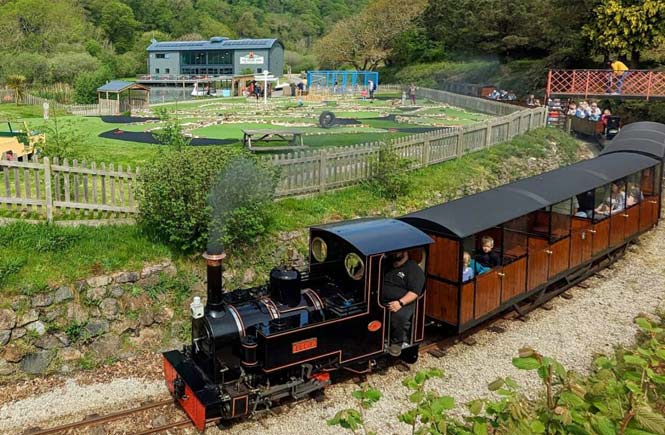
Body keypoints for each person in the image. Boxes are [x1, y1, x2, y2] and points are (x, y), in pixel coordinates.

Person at [381, 250, 425, 357]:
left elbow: (414, 292)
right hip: (382, 300)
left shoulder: (414, 270)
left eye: (398, 251)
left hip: (403, 302)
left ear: (405, 252)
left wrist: (400, 303)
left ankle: (397, 343)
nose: (395, 253)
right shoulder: (387, 265)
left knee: (399, 316)